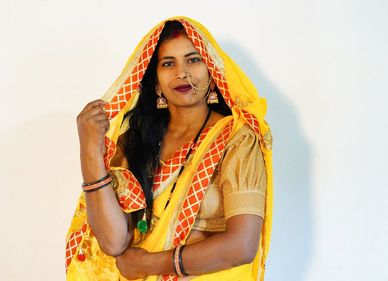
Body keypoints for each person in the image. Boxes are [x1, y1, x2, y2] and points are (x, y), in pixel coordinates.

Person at [65, 16, 273, 281]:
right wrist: (90, 150)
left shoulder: (236, 138)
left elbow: (241, 246)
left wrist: (151, 264)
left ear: (212, 72)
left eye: (193, 59)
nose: (181, 73)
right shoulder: (135, 142)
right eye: (168, 63)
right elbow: (114, 242)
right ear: (155, 82)